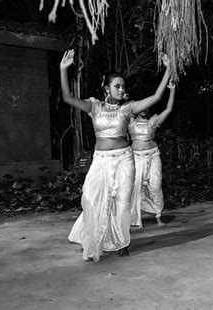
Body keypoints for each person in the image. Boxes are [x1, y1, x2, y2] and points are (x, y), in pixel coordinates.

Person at [61, 49, 171, 262]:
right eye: (117, 86)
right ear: (106, 89)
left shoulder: (128, 109)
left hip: (124, 159)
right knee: (90, 196)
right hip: (100, 159)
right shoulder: (95, 106)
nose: (121, 90)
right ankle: (94, 238)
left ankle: (122, 241)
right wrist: (63, 70)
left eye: (123, 86)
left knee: (122, 202)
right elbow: (67, 97)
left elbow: (157, 97)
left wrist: (168, 70)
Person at [129, 80, 176, 228]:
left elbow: (168, 109)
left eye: (146, 108)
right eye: (141, 107)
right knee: (135, 186)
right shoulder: (129, 121)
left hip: (153, 155)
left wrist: (172, 90)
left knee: (155, 186)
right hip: (136, 157)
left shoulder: (153, 121)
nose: (144, 109)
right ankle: (133, 218)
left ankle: (158, 216)